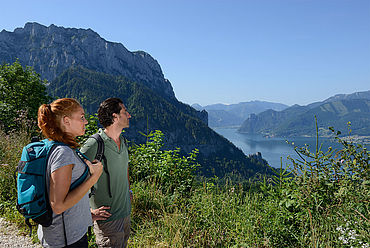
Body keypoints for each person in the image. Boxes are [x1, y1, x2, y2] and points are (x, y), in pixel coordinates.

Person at [37, 98, 104, 247]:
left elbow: (68, 190)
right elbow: (58, 205)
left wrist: (88, 215)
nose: (86, 121)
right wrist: (95, 177)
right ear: (66, 121)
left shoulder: (57, 146)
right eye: (81, 117)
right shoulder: (63, 153)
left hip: (66, 233)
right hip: (66, 240)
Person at [80, 97, 132, 248]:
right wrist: (88, 212)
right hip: (107, 220)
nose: (129, 115)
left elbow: (125, 167)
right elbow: (71, 177)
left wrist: (128, 189)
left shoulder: (123, 141)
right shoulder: (94, 144)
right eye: (125, 111)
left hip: (125, 214)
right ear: (115, 117)